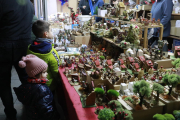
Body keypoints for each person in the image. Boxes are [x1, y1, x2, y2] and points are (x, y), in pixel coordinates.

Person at [0, 0, 33, 119]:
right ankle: (32, 109)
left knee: (3, 83)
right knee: (26, 79)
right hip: (24, 45)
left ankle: (10, 113)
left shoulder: (4, 3)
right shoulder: (29, 3)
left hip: (4, 46)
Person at [13, 54, 60, 120]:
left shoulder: (27, 84)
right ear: (35, 75)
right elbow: (47, 110)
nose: (47, 74)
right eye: (44, 72)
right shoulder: (42, 90)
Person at [27, 20, 61, 92]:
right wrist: (59, 82)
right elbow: (56, 71)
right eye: (51, 31)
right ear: (46, 34)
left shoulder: (29, 48)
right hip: (48, 85)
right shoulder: (51, 51)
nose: (52, 32)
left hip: (34, 85)